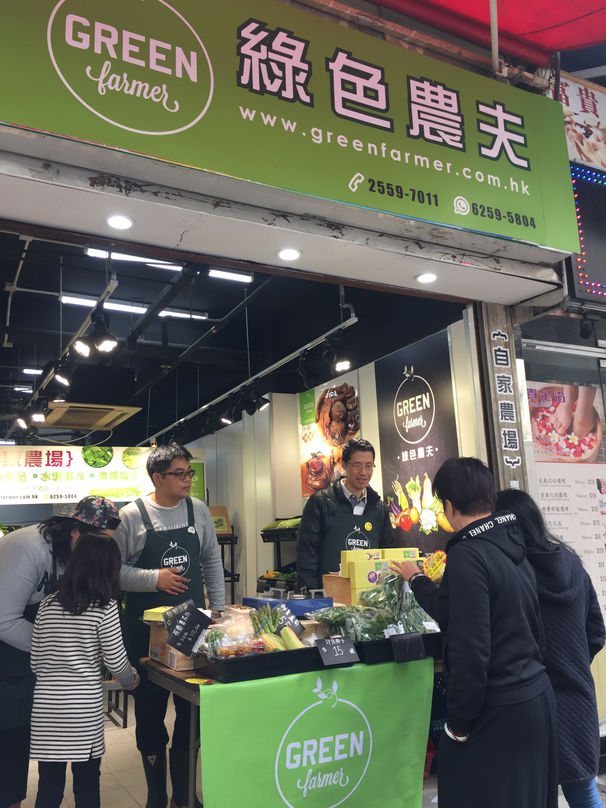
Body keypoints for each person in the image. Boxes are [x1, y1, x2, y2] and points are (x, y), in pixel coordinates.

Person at [390, 457, 558, 808]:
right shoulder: (511, 543)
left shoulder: (469, 553)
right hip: (534, 696)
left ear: (450, 506)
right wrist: (418, 579)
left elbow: (470, 648)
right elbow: (457, 612)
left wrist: (459, 723)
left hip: (496, 709)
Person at [113, 442, 226, 808]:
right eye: (179, 474)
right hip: (145, 635)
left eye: (189, 473)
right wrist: (154, 579)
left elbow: (211, 560)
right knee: (149, 713)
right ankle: (156, 797)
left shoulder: (198, 510)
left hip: (192, 627)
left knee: (192, 713)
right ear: (157, 478)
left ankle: (185, 795)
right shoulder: (131, 516)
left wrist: (219, 610)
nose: (187, 480)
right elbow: (112, 572)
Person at [0, 495, 121, 808]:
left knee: (51, 774)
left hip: (41, 673)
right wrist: (68, 650)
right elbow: (4, 620)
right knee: (12, 745)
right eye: (97, 542)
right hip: (7, 658)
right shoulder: (27, 548)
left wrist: (61, 652)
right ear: (75, 532)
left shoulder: (75, 559)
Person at [496, 488, 605, 808]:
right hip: (579, 700)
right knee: (583, 792)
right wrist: (573, 661)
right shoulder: (571, 563)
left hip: (533, 700)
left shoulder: (514, 573)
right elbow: (597, 632)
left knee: (534, 795)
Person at [30, 532, 139, 808]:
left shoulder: (47, 604)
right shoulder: (105, 607)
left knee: (49, 786)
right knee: (87, 785)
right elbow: (116, 661)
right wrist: (131, 680)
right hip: (82, 710)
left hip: (46, 709)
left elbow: (35, 662)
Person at [297, 437, 396, 592]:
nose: (363, 472)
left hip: (367, 596)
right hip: (328, 596)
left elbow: (387, 554)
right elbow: (307, 556)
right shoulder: (321, 502)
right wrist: (314, 597)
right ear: (344, 465)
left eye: (369, 466)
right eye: (357, 465)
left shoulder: (379, 509)